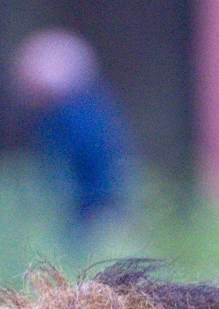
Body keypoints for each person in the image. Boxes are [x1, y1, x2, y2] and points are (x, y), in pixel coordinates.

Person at [11, 29, 130, 238]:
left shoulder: (73, 117)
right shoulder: (86, 109)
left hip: (88, 214)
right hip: (89, 211)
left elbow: (76, 175)